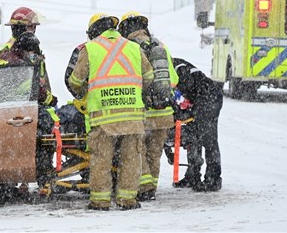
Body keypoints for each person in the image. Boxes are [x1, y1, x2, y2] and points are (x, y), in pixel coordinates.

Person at [67, 13, 154, 211]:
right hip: (132, 114)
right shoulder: (133, 47)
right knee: (131, 158)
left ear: (94, 31)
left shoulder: (90, 49)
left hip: (104, 115)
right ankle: (127, 200)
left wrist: (86, 90)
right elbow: (149, 77)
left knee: (101, 160)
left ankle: (100, 201)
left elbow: (75, 82)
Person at [118, 11, 179, 202]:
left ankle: (144, 188)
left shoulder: (129, 48)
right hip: (164, 112)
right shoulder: (161, 47)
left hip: (142, 112)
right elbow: (174, 80)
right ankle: (152, 187)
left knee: (138, 151)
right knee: (155, 153)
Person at [0, 31, 58, 190]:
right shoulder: (21, 66)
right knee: (44, 134)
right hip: (9, 111)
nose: (34, 56)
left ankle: (1, 185)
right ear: (28, 50)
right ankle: (42, 173)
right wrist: (51, 99)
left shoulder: (0, 59)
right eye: (33, 52)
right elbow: (34, 91)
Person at [171, 57, 223, 192]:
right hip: (200, 98)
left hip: (209, 97)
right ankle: (192, 175)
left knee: (208, 139)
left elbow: (187, 85)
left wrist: (178, 106)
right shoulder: (172, 65)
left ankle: (214, 179)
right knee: (193, 136)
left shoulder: (176, 67)